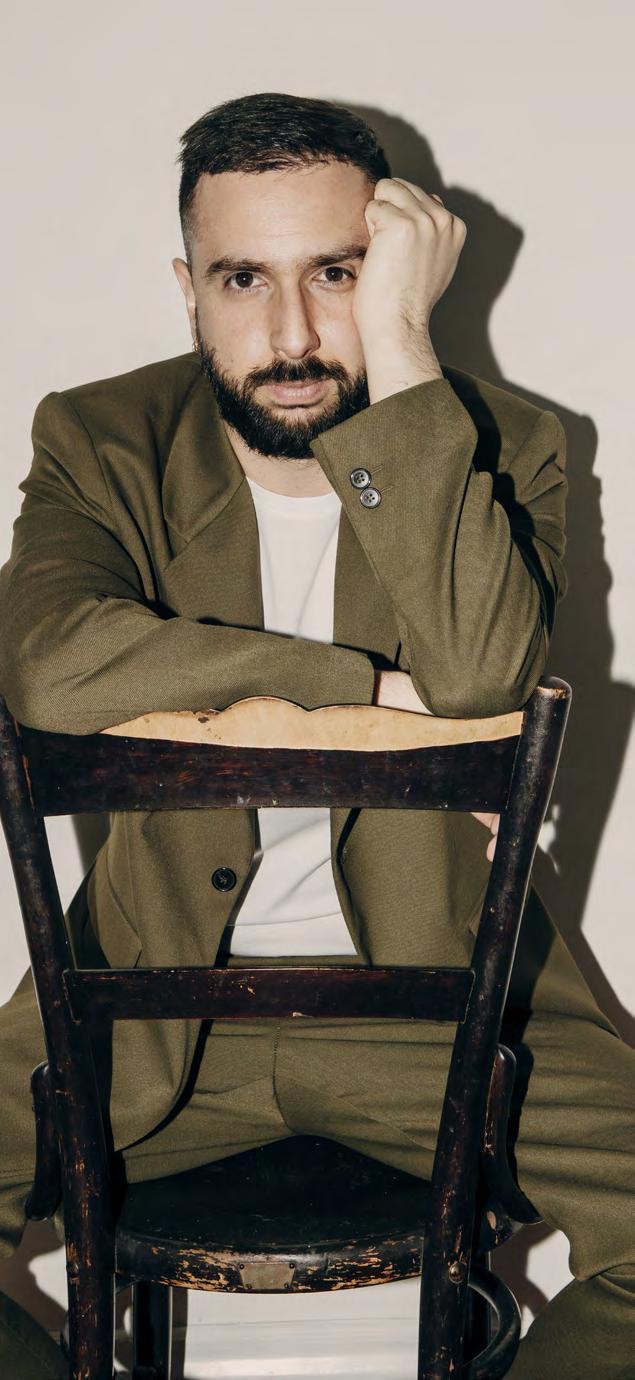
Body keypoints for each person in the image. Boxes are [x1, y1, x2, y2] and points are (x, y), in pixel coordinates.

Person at [0, 91, 632, 1379]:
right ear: (189, 290)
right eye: (244, 278)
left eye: (336, 274)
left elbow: (481, 678)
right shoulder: (102, 440)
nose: (290, 334)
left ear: (399, 266)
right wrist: (356, 690)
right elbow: (46, 667)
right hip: (135, 1015)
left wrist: (400, 348)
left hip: (454, 1015)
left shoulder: (509, 447)